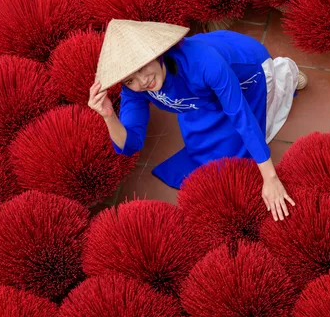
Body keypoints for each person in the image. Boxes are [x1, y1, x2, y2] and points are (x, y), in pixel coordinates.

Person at [87, 19, 306, 220]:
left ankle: (284, 74)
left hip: (247, 71)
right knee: (205, 149)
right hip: (201, 95)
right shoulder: (134, 89)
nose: (143, 82)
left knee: (242, 150)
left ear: (156, 52)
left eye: (143, 66)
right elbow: (130, 144)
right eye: (130, 79)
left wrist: (271, 178)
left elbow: (242, 117)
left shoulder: (204, 63)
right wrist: (109, 116)